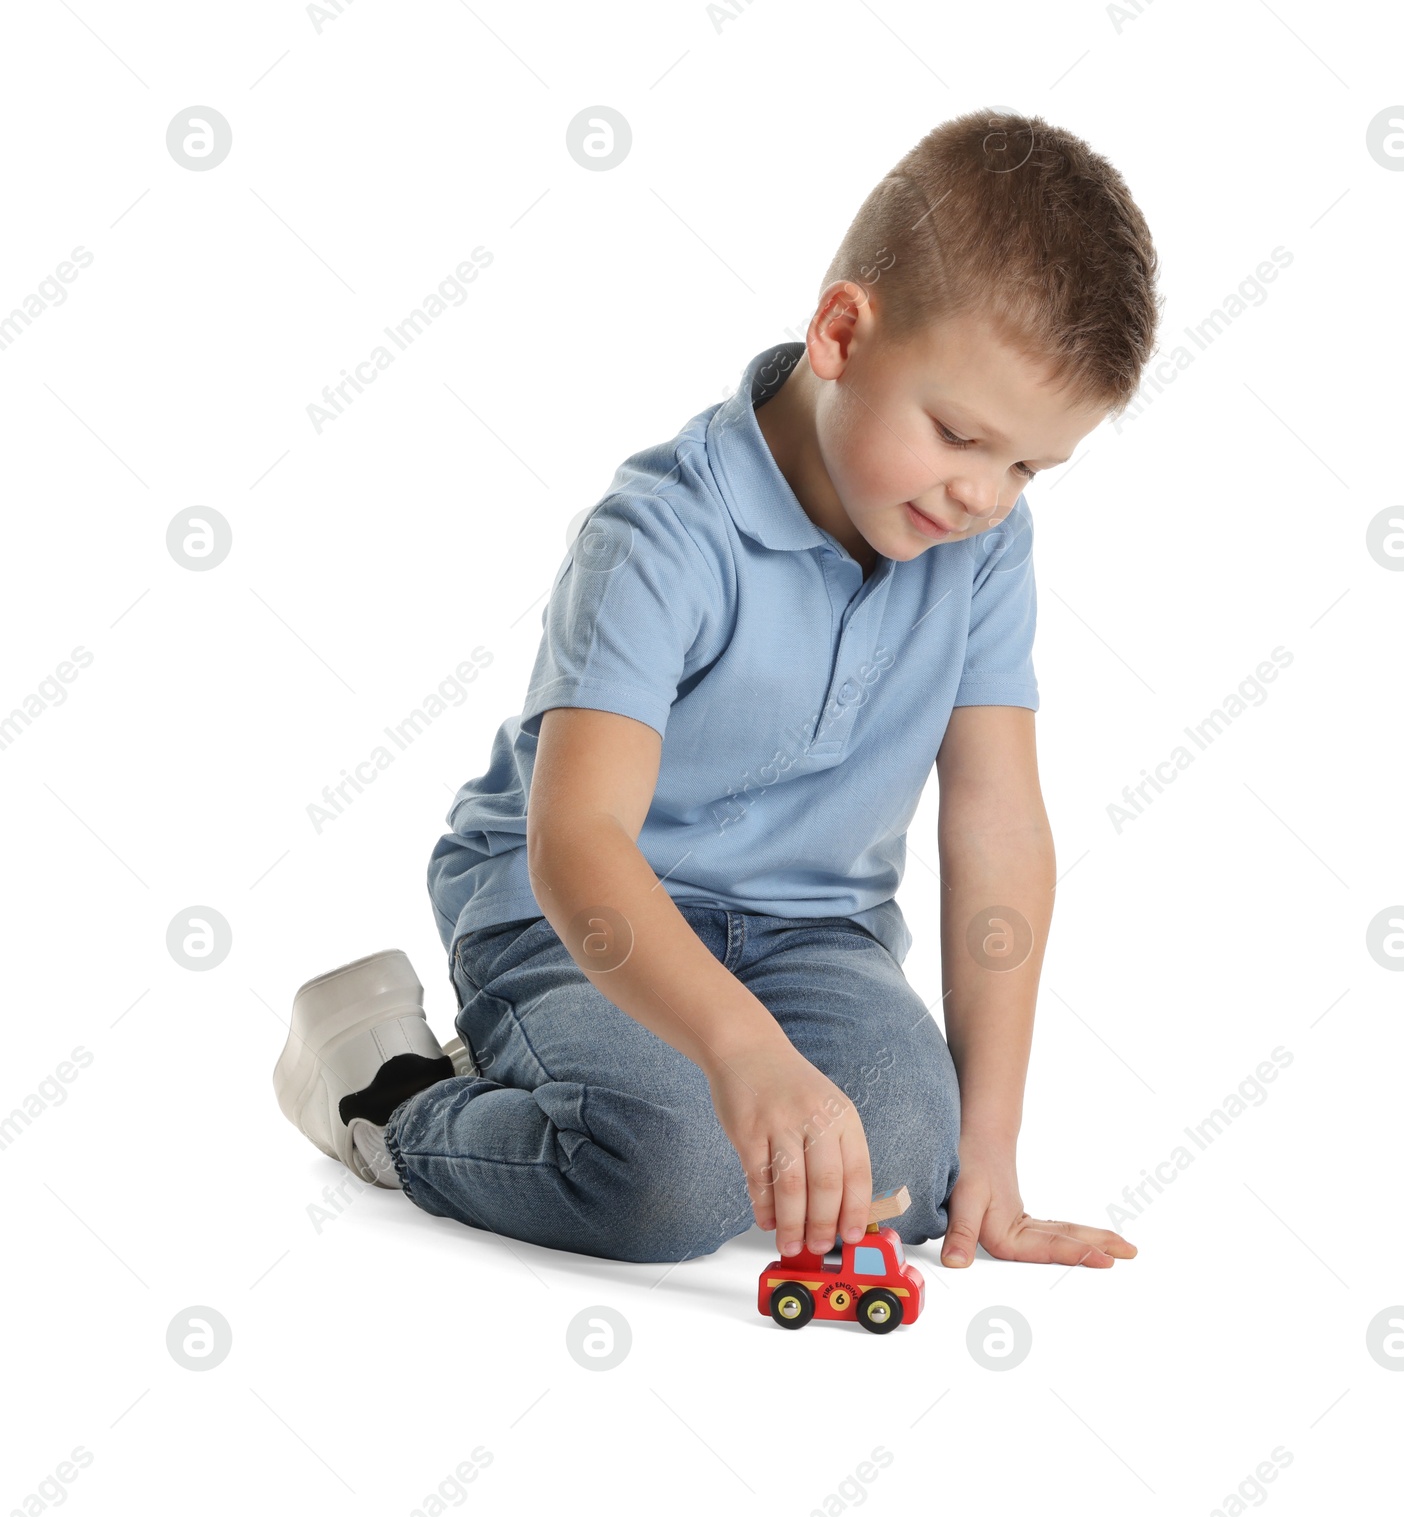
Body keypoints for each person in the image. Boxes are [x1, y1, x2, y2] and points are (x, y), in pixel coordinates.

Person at [273, 107, 1160, 1274]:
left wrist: (988, 1149)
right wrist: (744, 1053)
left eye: (1028, 465)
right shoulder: (660, 535)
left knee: (906, 1171)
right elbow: (579, 840)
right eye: (958, 435)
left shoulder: (982, 543)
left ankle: (676, 1083)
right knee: (670, 1177)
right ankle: (395, 1099)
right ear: (841, 333)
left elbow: (998, 828)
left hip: (807, 931)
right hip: (572, 913)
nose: (983, 496)